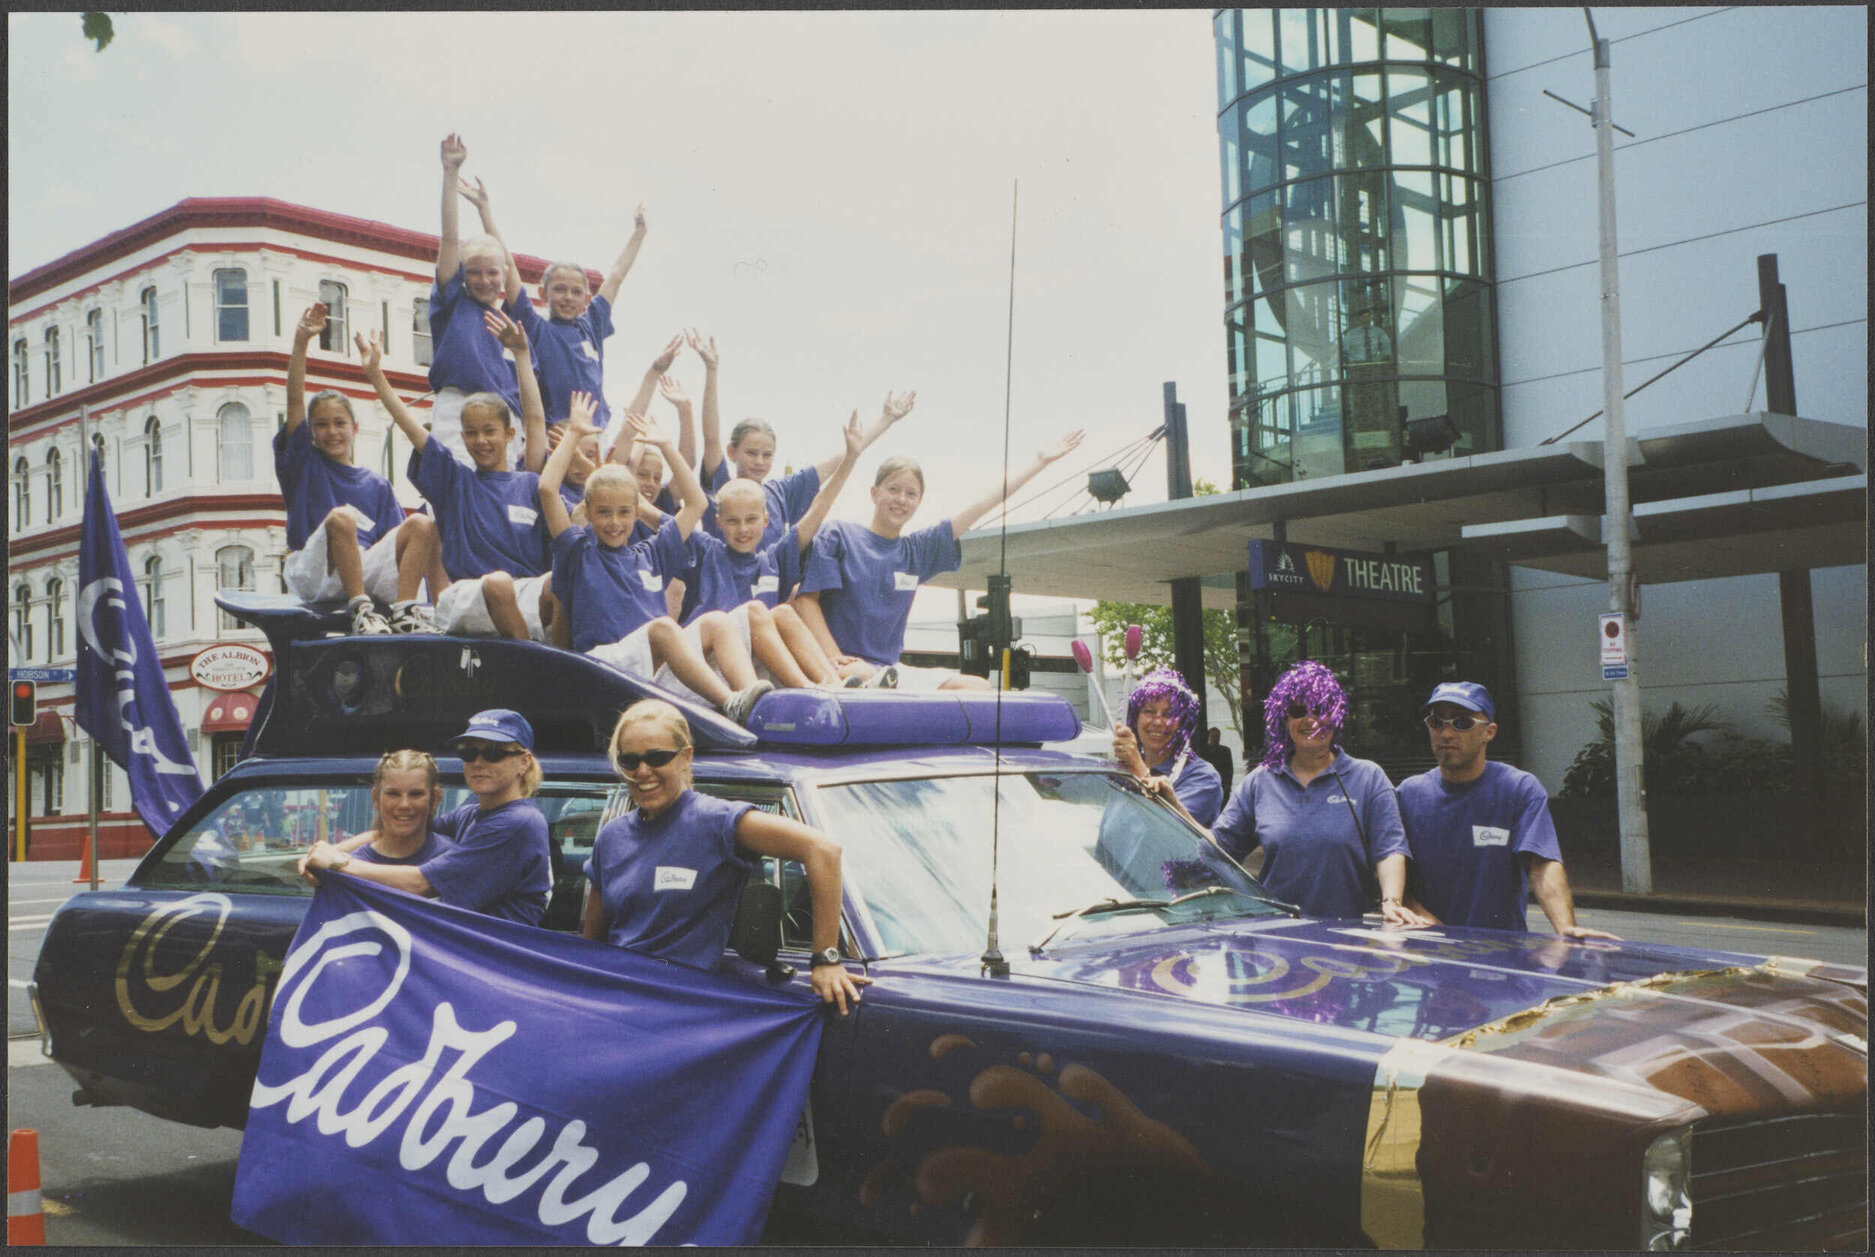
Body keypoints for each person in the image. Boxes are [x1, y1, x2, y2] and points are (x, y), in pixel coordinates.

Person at [582, 699, 870, 1013]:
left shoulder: (716, 821)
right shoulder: (612, 837)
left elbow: (823, 850)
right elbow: (590, 945)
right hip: (617, 1004)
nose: (642, 771)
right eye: (629, 761)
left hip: (678, 1009)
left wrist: (826, 958)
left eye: (657, 758)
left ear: (685, 757)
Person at [538, 395, 773, 725]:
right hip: (606, 666)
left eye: (624, 512)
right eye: (604, 513)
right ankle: (730, 702)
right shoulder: (578, 552)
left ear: (637, 513)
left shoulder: (651, 553)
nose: (614, 522)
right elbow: (547, 490)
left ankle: (755, 706)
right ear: (588, 513)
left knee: (717, 621)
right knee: (664, 628)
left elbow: (696, 503)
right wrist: (575, 432)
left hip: (652, 667)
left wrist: (666, 446)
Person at [794, 431, 1085, 690]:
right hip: (839, 667)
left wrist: (1039, 462)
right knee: (864, 676)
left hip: (888, 672)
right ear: (874, 493)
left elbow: (980, 506)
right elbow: (806, 601)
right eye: (893, 489)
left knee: (976, 687)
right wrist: (836, 660)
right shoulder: (838, 535)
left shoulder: (917, 550)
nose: (901, 499)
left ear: (919, 502)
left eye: (911, 494)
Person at [359, 314, 557, 642]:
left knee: (560, 584)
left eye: (489, 431)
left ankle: (565, 662)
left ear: (509, 434)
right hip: (469, 597)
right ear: (462, 438)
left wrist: (522, 354)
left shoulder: (531, 484)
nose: (481, 440)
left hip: (523, 595)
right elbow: (413, 430)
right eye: (472, 433)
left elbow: (535, 420)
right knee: (498, 584)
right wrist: (376, 375)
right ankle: (531, 663)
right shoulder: (455, 482)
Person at [1397, 682, 1619, 939]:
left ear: (1489, 732)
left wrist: (1566, 929)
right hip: (1429, 950)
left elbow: (1542, 866)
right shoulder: (1407, 794)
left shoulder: (1518, 789)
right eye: (1437, 722)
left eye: (1462, 723)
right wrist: (1418, 913)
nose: (1446, 734)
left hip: (1501, 952)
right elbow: (1390, 870)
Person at [1209, 661, 1426, 925]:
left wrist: (1392, 902)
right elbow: (1218, 847)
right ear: (1284, 719)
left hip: (1347, 937)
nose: (1310, 720)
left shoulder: (1368, 777)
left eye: (1321, 709)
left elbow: (1390, 849)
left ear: (1336, 715)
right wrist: (1174, 807)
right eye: (1298, 711)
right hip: (1275, 934)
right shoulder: (1261, 781)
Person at [277, 302, 444, 635]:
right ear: (311, 432)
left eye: (339, 423)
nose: (332, 432)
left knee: (423, 523)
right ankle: (361, 611)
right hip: (315, 570)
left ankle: (406, 612)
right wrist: (301, 340)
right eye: (321, 425)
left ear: (354, 427)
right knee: (343, 517)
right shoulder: (303, 465)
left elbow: (397, 549)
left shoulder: (376, 485)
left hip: (363, 569)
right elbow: (295, 402)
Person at [299, 709, 553, 926]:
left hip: (498, 960)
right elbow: (391, 831)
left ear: (524, 762)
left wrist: (338, 863)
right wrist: (323, 852)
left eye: (493, 753)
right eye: (468, 752)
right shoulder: (473, 814)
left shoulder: (517, 823)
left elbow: (420, 884)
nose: (478, 762)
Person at [677, 412, 864, 689]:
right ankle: (808, 689)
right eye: (733, 521)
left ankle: (834, 688)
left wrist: (850, 459)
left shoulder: (774, 560)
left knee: (783, 613)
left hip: (749, 663)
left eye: (751, 520)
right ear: (719, 522)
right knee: (756, 610)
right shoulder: (706, 550)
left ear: (766, 521)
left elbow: (818, 509)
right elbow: (661, 517)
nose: (743, 529)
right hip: (705, 659)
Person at [690, 330, 917, 550]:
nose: (759, 461)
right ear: (732, 452)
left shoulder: (780, 493)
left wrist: (886, 420)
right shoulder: (722, 486)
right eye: (751, 453)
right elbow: (711, 439)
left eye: (767, 455)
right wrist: (712, 370)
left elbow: (839, 460)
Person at [496, 202, 648, 436]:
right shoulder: (536, 328)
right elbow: (509, 270)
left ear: (586, 298)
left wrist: (639, 232)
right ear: (543, 294)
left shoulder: (592, 325)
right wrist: (485, 210)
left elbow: (616, 275)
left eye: (576, 292)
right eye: (560, 289)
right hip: (555, 431)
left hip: (594, 432)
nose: (568, 297)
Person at [426, 134, 522, 467]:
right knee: (459, 481)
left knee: (502, 488)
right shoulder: (454, 303)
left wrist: (485, 210)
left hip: (506, 414)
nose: (484, 280)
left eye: (492, 273)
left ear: (503, 274)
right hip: (459, 407)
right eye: (475, 273)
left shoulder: (512, 321)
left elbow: (510, 267)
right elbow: (450, 240)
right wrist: (450, 173)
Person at [1113, 668, 1224, 827]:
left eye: (1168, 714)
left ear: (1183, 723)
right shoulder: (1120, 772)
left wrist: (1137, 764)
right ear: (1135, 718)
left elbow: (1166, 831)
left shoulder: (1203, 778)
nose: (1158, 722)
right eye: (1149, 711)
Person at [329, 749, 455, 866]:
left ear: (435, 798)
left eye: (416, 794)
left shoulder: (455, 860)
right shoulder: (345, 868)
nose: (404, 804)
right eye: (393, 794)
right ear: (376, 798)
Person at [1202, 726, 1235, 796]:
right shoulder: (1203, 752)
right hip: (1208, 787)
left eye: (1217, 736)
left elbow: (1229, 770)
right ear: (1208, 737)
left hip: (1222, 787)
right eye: (1213, 736)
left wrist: (1228, 786)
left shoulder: (1225, 751)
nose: (1215, 739)